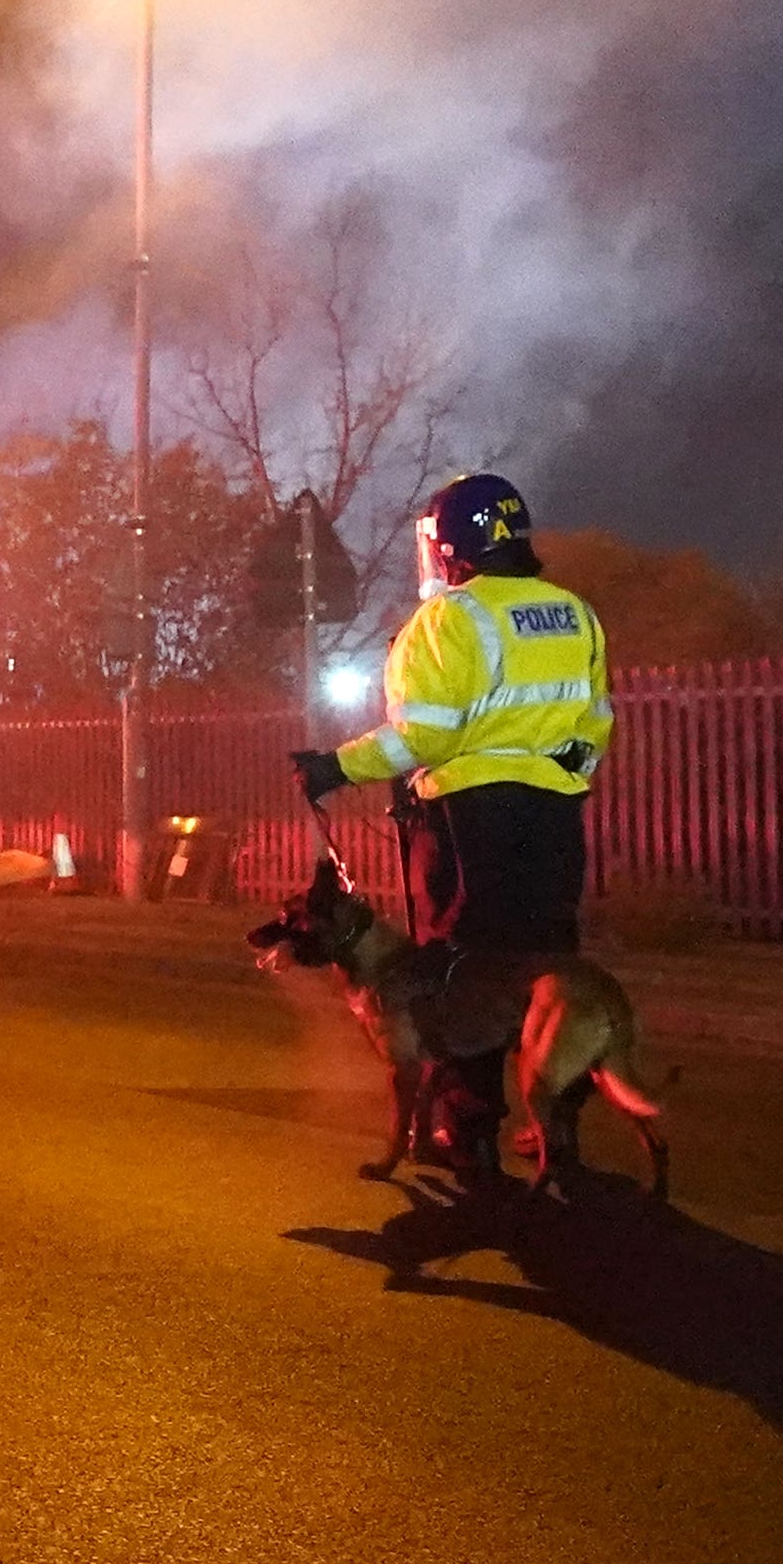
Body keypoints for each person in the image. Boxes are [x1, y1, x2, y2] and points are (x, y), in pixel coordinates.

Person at [289, 471, 613, 1177]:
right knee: (547, 972)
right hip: (554, 819)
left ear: (449, 547)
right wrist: (554, 778)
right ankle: (555, 1123)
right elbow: (594, 725)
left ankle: (466, 1129)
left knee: (460, 972)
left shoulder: (448, 620)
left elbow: (422, 738)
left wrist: (333, 768)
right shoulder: (574, 614)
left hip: (469, 822)